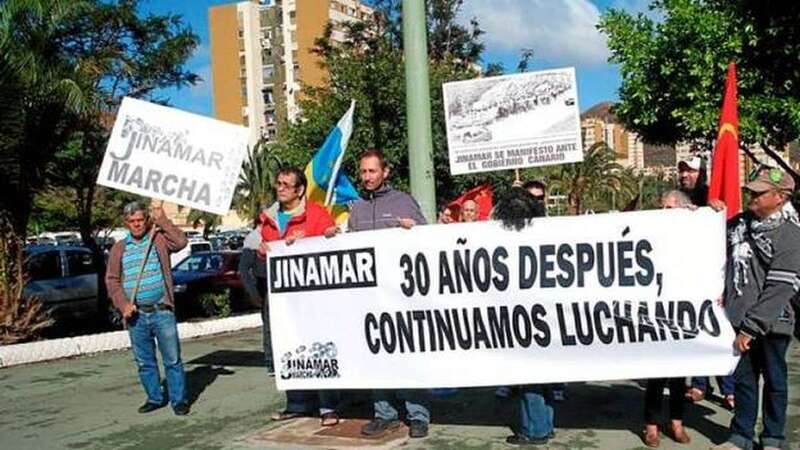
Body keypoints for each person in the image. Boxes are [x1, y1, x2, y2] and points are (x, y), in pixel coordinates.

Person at [711, 169, 800, 450]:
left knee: (775, 380)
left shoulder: (790, 234)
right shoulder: (738, 225)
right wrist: (702, 214)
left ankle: (773, 437)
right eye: (751, 191)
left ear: (780, 197)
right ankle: (741, 435)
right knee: (744, 381)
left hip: (773, 322)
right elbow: (703, 241)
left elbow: (781, 287)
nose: (752, 196)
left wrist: (751, 327)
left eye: (759, 193)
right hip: (738, 320)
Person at [348, 149, 430, 439]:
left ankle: (418, 415)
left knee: (407, 355)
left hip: (401, 298)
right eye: (363, 172)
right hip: (369, 299)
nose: (367, 177)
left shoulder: (403, 201)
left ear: (385, 172)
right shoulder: (355, 207)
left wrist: (416, 229)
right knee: (376, 356)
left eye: (372, 171)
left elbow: (428, 240)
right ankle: (385, 414)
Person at [257, 167, 340, 425]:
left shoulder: (316, 214)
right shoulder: (268, 219)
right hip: (284, 299)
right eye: (278, 183)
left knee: (320, 347)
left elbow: (332, 238)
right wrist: (263, 250)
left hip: (314, 296)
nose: (279, 188)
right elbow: (268, 254)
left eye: (285, 184)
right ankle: (297, 403)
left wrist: (317, 237)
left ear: (299, 190)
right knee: (289, 347)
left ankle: (328, 407)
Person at [105, 201, 190, 416]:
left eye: (140, 220)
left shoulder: (158, 239)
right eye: (132, 221)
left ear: (146, 220)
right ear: (126, 223)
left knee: (172, 359)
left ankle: (179, 400)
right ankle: (154, 397)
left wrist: (162, 218)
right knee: (144, 361)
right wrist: (123, 304)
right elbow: (112, 280)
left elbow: (181, 242)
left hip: (162, 311)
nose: (136, 225)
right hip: (136, 315)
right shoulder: (119, 249)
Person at [492, 187, 553, 446]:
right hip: (544, 313)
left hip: (526, 315)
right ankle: (543, 426)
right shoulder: (546, 231)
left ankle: (534, 430)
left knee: (530, 377)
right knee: (540, 378)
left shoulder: (505, 234)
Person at [638, 189, 693, 448]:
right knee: (656, 374)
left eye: (669, 209)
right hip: (656, 311)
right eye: (662, 208)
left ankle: (676, 423)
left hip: (682, 312)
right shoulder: (653, 231)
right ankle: (651, 427)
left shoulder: (693, 231)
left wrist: (701, 216)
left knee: (680, 375)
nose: (663, 213)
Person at [238, 216, 273, 375]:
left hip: (284, 288)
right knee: (270, 327)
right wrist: (253, 293)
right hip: (265, 290)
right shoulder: (254, 237)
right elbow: (244, 269)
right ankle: (271, 360)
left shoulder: (281, 231)